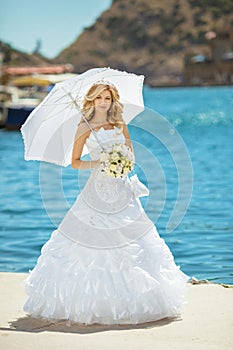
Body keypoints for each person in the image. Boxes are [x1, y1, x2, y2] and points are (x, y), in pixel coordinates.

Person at [23, 82, 189, 325]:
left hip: (122, 188)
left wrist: (122, 162)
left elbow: (131, 156)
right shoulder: (83, 127)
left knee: (136, 239)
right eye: (99, 97)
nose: (103, 101)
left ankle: (144, 300)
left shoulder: (121, 125)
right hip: (97, 189)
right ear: (92, 100)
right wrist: (100, 161)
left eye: (107, 98)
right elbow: (77, 161)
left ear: (113, 101)